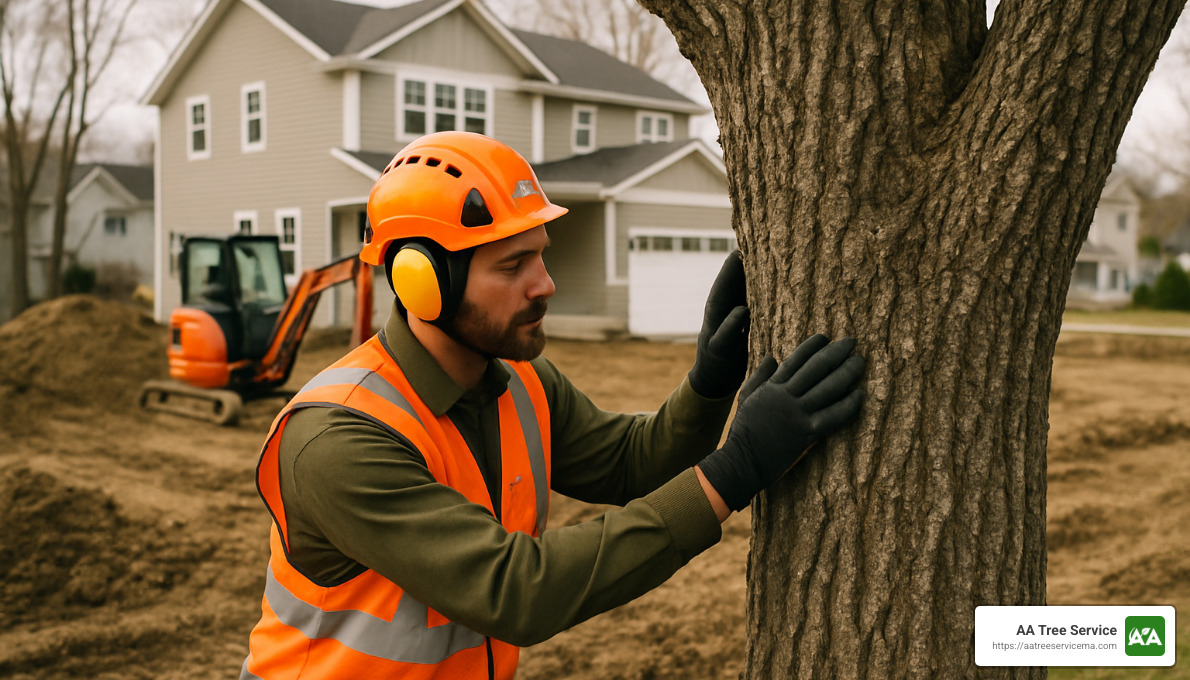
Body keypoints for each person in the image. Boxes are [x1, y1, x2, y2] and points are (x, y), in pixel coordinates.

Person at [238, 131, 865, 680]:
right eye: (513, 266)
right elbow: (516, 591)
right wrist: (737, 470)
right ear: (421, 282)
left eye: (541, 255)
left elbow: (630, 463)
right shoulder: (338, 436)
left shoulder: (519, 380)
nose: (545, 285)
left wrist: (709, 382)